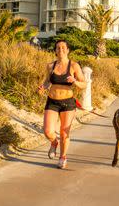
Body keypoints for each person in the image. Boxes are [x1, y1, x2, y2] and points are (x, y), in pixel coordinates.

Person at [37, 40, 86, 169]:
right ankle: (54, 143)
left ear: (68, 50)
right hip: (52, 101)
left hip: (68, 103)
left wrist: (75, 81)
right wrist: (43, 87)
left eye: (63, 47)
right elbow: (48, 82)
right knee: (48, 131)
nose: (61, 50)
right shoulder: (50, 66)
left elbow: (84, 84)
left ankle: (62, 157)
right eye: (58, 48)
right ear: (55, 51)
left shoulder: (74, 66)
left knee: (64, 132)